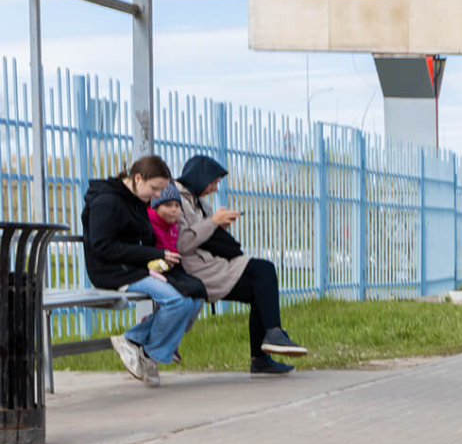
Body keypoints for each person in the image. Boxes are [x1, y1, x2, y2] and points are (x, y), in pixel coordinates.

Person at [174, 156, 310, 375]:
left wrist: (219, 224)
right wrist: (213, 222)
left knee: (261, 286)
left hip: (210, 264)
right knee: (263, 270)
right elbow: (182, 243)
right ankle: (272, 335)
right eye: (213, 182)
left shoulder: (195, 200)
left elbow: (206, 234)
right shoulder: (177, 199)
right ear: (200, 177)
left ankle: (261, 358)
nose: (214, 188)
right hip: (197, 269)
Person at [82, 156, 204, 387]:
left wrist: (157, 260)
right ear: (138, 178)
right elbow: (103, 246)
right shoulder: (107, 201)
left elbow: (144, 239)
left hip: (136, 266)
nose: (158, 195)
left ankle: (135, 340)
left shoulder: (136, 200)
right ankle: (149, 353)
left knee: (194, 296)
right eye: (155, 188)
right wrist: (151, 257)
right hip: (112, 271)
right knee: (177, 301)